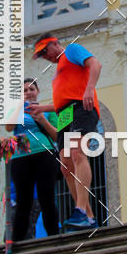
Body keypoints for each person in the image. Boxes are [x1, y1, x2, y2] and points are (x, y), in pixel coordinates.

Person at [29, 36, 101, 230]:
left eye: (45, 51)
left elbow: (95, 64)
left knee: (77, 153)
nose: (45, 57)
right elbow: (62, 101)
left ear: (54, 43)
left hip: (81, 107)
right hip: (65, 114)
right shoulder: (58, 71)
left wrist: (89, 89)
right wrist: (41, 108)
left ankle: (80, 211)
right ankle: (88, 217)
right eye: (41, 55)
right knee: (66, 166)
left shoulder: (71, 50)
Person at [5, 78, 60, 252]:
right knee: (23, 202)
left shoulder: (47, 110)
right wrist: (19, 105)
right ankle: (17, 243)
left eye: (31, 89)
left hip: (44, 154)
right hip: (20, 158)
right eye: (24, 90)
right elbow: (8, 127)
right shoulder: (16, 110)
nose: (28, 92)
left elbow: (57, 136)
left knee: (47, 199)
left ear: (38, 91)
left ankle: (54, 239)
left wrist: (42, 119)